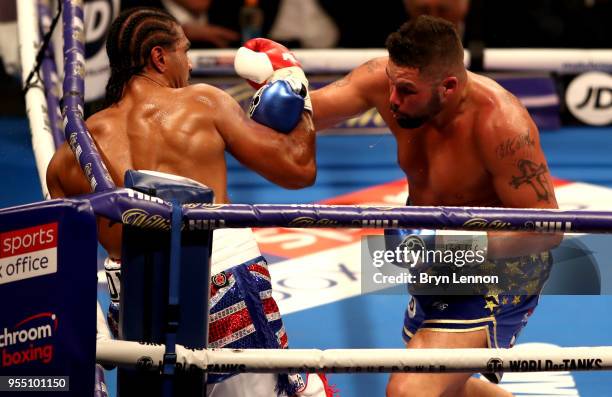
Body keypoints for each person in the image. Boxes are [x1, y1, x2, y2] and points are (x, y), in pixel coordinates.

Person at [236, 15, 562, 397]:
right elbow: (302, 117)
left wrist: (451, 245)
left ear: (449, 85)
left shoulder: (501, 125)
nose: (391, 101)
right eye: (392, 85)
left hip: (500, 273)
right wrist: (283, 85)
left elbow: (546, 230)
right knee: (447, 389)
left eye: (406, 91)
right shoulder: (387, 80)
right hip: (431, 260)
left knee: (410, 390)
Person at [46, 6, 331, 397]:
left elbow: (63, 277)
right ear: (159, 57)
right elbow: (298, 169)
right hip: (220, 281)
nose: (191, 65)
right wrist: (294, 84)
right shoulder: (203, 103)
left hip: (137, 312)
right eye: (185, 51)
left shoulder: (67, 159)